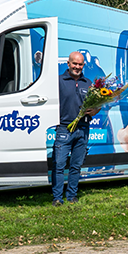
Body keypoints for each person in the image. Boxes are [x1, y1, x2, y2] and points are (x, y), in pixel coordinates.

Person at [52, 51, 96, 205]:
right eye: (75, 63)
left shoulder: (89, 83)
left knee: (75, 166)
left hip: (83, 129)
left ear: (83, 65)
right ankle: (57, 198)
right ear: (68, 63)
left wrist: (95, 110)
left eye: (80, 64)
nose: (77, 67)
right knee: (59, 165)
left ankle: (71, 197)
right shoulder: (58, 81)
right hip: (64, 129)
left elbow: (96, 105)